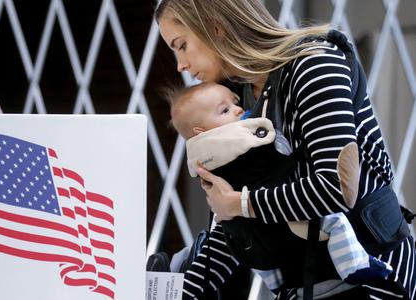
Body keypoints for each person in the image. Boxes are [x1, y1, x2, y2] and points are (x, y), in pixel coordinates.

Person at [155, 0, 415, 299]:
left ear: (215, 28)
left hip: (372, 277)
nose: (180, 65)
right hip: (304, 282)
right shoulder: (236, 97)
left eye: (181, 45)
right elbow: (230, 215)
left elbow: (338, 188)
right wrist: (185, 290)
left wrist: (241, 203)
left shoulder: (314, 63)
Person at [168, 81, 393, 293]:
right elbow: (282, 152)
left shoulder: (205, 164)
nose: (238, 110)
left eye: (234, 103)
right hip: (288, 219)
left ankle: (277, 285)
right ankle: (355, 264)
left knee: (250, 251)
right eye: (224, 111)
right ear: (201, 132)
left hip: (253, 237)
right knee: (333, 220)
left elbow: (225, 222)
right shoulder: (245, 141)